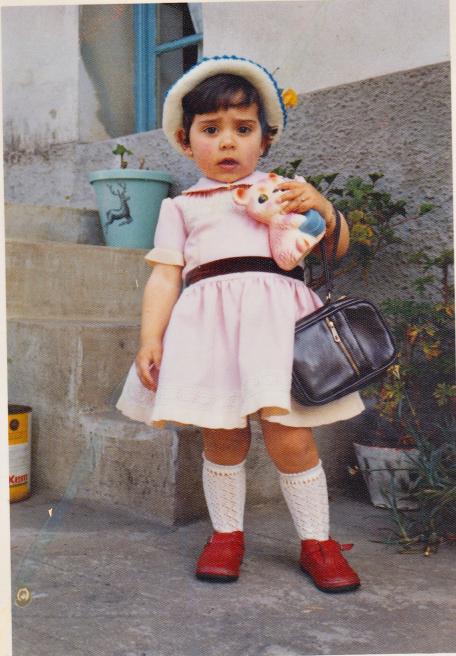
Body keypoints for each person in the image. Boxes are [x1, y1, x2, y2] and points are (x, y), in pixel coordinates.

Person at [116, 55, 364, 593]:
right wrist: (150, 338)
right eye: (211, 130)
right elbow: (165, 277)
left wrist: (324, 207)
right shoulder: (182, 207)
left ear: (265, 140)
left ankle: (317, 542)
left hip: (277, 333)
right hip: (211, 335)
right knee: (223, 438)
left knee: (290, 437)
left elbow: (335, 247)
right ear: (184, 141)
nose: (227, 142)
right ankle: (227, 535)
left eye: (243, 129)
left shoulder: (284, 191)